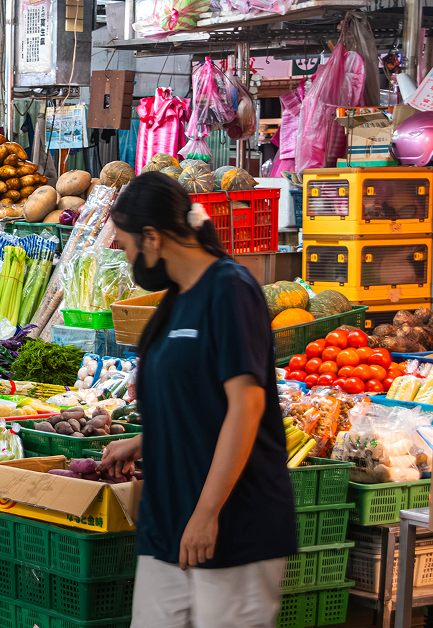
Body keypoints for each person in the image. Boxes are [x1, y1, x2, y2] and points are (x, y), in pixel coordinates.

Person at [99, 172, 296, 628]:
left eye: (127, 246)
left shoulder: (229, 290)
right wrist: (146, 440)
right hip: (168, 517)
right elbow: (192, 397)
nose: (128, 258)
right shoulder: (176, 299)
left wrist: (208, 513)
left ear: (152, 237)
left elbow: (245, 407)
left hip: (232, 521)